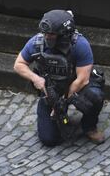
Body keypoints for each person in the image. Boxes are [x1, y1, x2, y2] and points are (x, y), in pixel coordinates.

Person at [14, 9, 105, 146]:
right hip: (52, 88)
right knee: (49, 139)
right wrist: (36, 79)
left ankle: (89, 127)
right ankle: (58, 120)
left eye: (51, 34)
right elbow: (18, 64)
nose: (47, 37)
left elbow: (82, 79)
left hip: (77, 86)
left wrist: (64, 101)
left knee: (95, 97)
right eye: (45, 33)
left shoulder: (80, 44)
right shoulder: (36, 42)